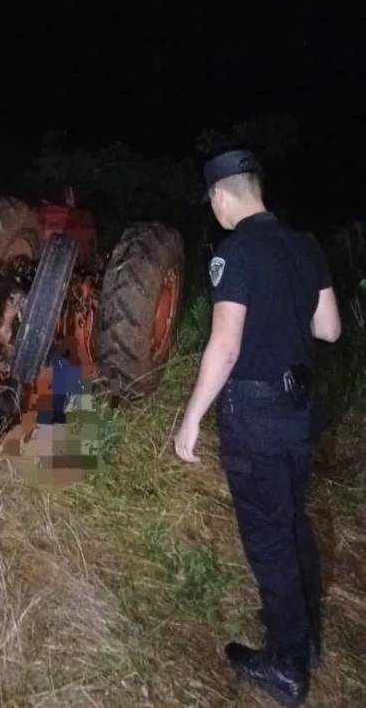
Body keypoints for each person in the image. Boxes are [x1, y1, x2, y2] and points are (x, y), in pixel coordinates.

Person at [174, 148, 341, 708]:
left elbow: (225, 346)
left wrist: (192, 418)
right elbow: (330, 329)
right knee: (292, 522)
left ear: (223, 196)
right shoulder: (305, 245)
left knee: (269, 540)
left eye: (213, 203)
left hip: (256, 415)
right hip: (299, 411)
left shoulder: (235, 252)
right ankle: (307, 638)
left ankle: (287, 666)